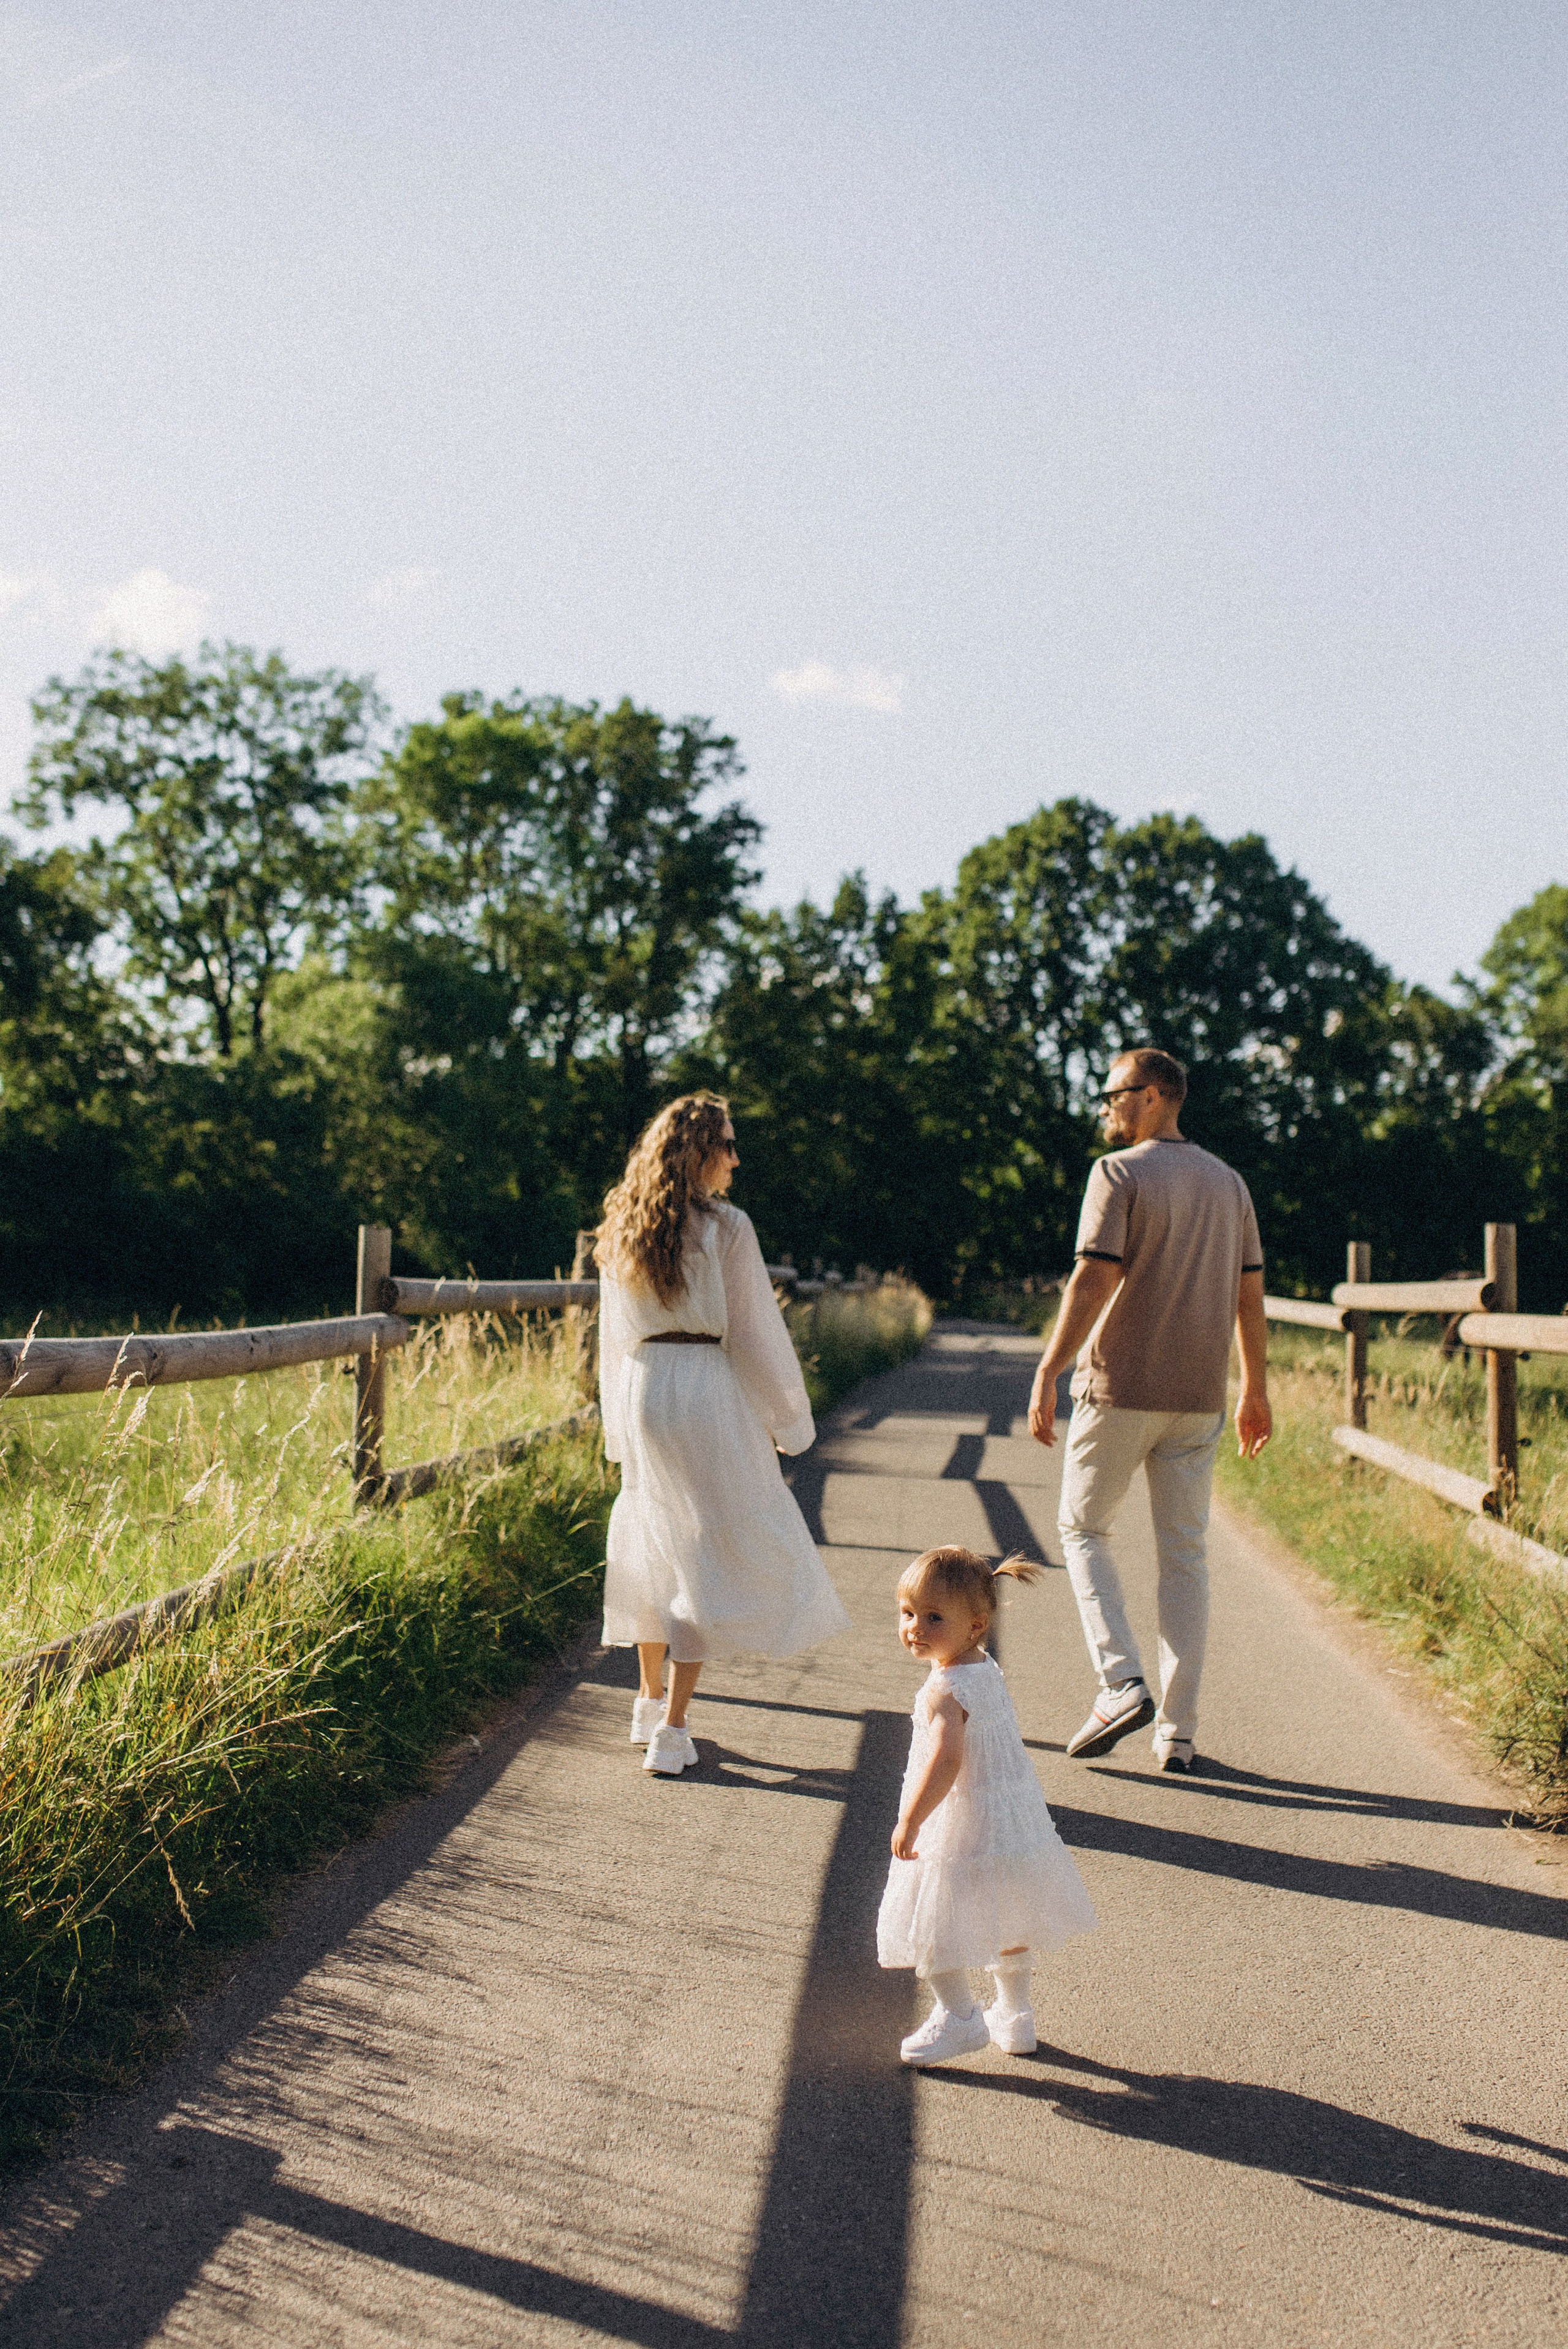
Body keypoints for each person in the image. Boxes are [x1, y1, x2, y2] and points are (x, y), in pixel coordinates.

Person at [1027, 1047, 1272, 1773]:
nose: (1107, 1106)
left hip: (1119, 1388)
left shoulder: (1118, 1173)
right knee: (1185, 1556)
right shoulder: (1229, 1184)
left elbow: (1093, 1276)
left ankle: (1119, 1682)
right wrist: (1254, 1388)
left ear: (1156, 1096)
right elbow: (1248, 1298)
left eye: (1116, 1093)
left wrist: (1048, 1367)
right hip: (1198, 1398)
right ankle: (1179, 1731)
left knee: (1081, 1528)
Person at [596, 1090, 850, 1778]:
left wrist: (617, 1422)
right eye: (729, 1145)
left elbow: (611, 1338)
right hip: (704, 1383)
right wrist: (788, 1419)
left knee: (653, 1536)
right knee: (701, 1551)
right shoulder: (727, 1227)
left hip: (644, 1383)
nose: (737, 1160)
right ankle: (673, 1730)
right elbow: (755, 1333)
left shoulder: (622, 1223)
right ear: (700, 1150)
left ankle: (647, 1703)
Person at [877, 1545, 1096, 2067]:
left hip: (959, 1822)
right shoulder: (984, 1667)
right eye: (908, 1613)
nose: (916, 1627)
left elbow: (948, 1759)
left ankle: (959, 2017)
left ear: (976, 1624)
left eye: (934, 1618)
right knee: (1008, 1914)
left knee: (929, 1926)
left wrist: (912, 1818)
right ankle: (1015, 2015)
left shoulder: (946, 1690)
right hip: (1008, 1822)